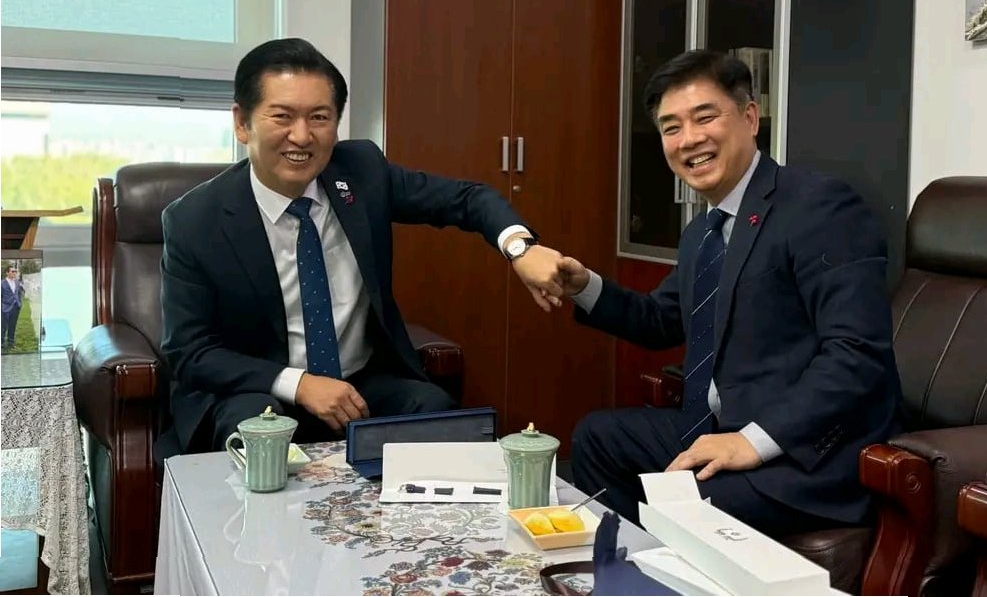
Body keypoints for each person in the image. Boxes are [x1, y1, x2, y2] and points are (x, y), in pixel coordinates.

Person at [158, 38, 566, 457]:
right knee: (259, 435)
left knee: (435, 412)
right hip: (257, 390)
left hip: (358, 383)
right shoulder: (195, 220)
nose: (301, 136)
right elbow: (191, 352)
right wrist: (300, 384)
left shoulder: (361, 172)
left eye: (319, 117)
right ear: (242, 123)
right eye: (282, 116)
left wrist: (521, 248)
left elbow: (467, 199)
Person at [559, 50, 900, 536]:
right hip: (723, 425)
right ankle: (633, 566)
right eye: (671, 127)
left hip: (804, 451)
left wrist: (753, 441)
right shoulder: (702, 232)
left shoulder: (819, 207)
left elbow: (857, 353)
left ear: (750, 117)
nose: (689, 139)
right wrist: (583, 287)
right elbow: (661, 319)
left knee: (684, 505)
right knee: (598, 438)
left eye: (705, 118)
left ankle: (662, 563)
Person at [1, 266, 25, 350]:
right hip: (4, 308)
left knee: (12, 326)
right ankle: (1, 343)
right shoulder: (2, 283)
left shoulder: (17, 282)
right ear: (7, 273)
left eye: (15, 271)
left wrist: (19, 303)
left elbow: (19, 293)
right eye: (12, 271)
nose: (14, 273)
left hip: (15, 307)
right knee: (3, 326)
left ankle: (11, 343)